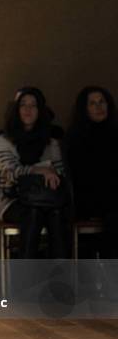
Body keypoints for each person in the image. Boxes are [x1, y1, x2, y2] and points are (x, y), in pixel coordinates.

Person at [0, 87, 69, 259]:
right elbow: (10, 172)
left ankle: (60, 280)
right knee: (33, 213)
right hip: (12, 199)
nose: (28, 110)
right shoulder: (3, 140)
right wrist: (40, 170)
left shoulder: (51, 142)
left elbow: (59, 173)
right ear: (16, 109)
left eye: (33, 105)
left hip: (48, 199)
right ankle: (26, 279)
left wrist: (47, 173)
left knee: (57, 214)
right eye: (23, 105)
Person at [65, 86, 118, 258]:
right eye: (93, 103)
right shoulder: (76, 137)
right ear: (84, 108)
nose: (99, 107)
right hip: (89, 199)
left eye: (102, 102)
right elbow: (82, 175)